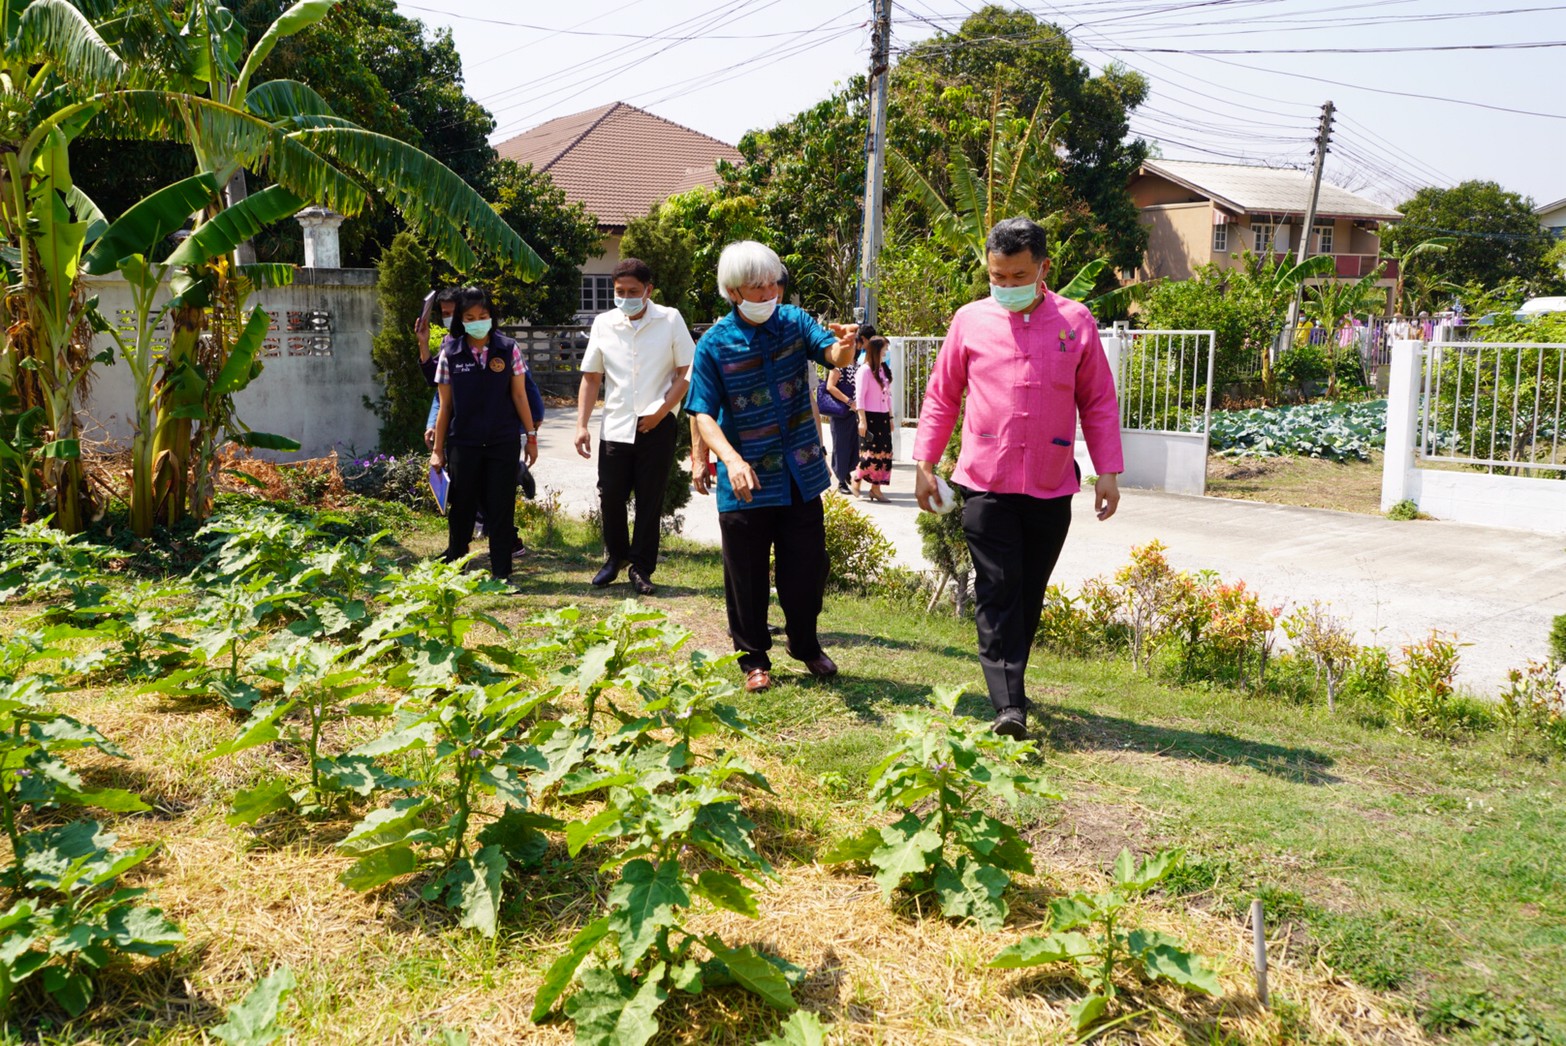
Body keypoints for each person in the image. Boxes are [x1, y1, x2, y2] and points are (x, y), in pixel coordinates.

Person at [913, 218, 1123, 740]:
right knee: (998, 587)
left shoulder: (1076, 322)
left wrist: (1108, 473)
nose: (1006, 286)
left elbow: (1097, 401)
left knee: (1027, 594)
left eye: (1018, 275)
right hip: (985, 481)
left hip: (1052, 485)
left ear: (1043, 268)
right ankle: (1009, 706)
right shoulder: (969, 321)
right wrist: (924, 462)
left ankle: (1011, 684)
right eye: (997, 276)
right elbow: (942, 395)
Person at [684, 241, 858, 693]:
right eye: (755, 288)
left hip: (800, 473)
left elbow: (831, 354)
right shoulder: (714, 344)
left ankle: (805, 645)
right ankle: (753, 659)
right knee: (745, 574)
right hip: (745, 480)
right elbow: (702, 411)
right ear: (733, 291)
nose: (766, 294)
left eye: (771, 285)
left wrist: (845, 347)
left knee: (807, 568)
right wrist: (728, 458)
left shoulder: (796, 323)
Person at [574, 258, 695, 596]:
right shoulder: (604, 323)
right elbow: (591, 377)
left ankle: (641, 568)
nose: (626, 297)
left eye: (633, 291)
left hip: (657, 425)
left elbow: (687, 370)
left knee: (649, 500)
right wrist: (581, 425)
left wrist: (662, 411)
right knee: (610, 495)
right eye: (620, 292)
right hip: (615, 425)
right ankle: (615, 559)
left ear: (649, 291)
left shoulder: (669, 319)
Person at [429, 286, 537, 583]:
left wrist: (530, 436)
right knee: (461, 507)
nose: (478, 321)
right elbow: (445, 405)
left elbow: (519, 396)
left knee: (500, 507)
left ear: (492, 317)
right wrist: (438, 449)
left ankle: (502, 573)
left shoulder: (508, 347)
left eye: (483, 315)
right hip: (463, 443)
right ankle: (456, 567)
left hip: (502, 442)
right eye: (470, 317)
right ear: (460, 321)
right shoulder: (449, 352)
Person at [822, 326, 864, 495]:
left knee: (854, 445)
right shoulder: (838, 365)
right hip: (841, 411)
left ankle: (848, 475)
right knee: (841, 445)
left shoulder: (857, 364)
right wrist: (849, 401)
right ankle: (840, 480)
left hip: (854, 412)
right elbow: (830, 386)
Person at [853, 333, 894, 502]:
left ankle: (876, 489)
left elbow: (888, 395)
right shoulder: (864, 370)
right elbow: (860, 397)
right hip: (869, 417)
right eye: (884, 349)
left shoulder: (883, 369)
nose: (886, 352)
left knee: (885, 454)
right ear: (876, 350)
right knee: (870, 454)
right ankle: (857, 478)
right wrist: (862, 420)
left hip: (883, 416)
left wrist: (890, 417)